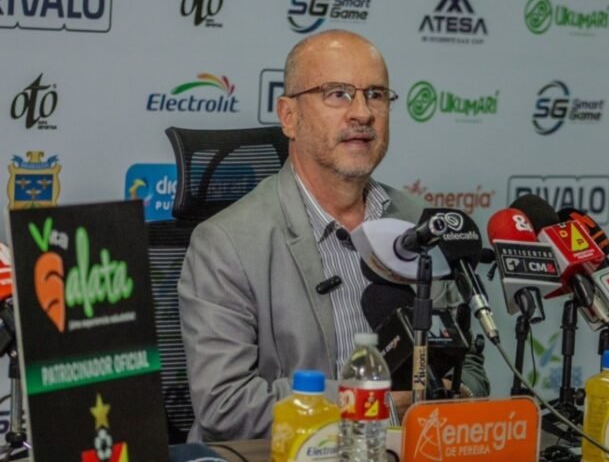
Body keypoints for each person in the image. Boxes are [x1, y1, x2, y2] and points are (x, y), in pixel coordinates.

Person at [177, 29, 489, 442]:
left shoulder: (422, 224)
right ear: (289, 116)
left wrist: (455, 395)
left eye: (376, 94)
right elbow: (226, 405)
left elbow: (471, 365)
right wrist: (371, 404)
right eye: (338, 94)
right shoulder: (226, 243)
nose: (362, 112)